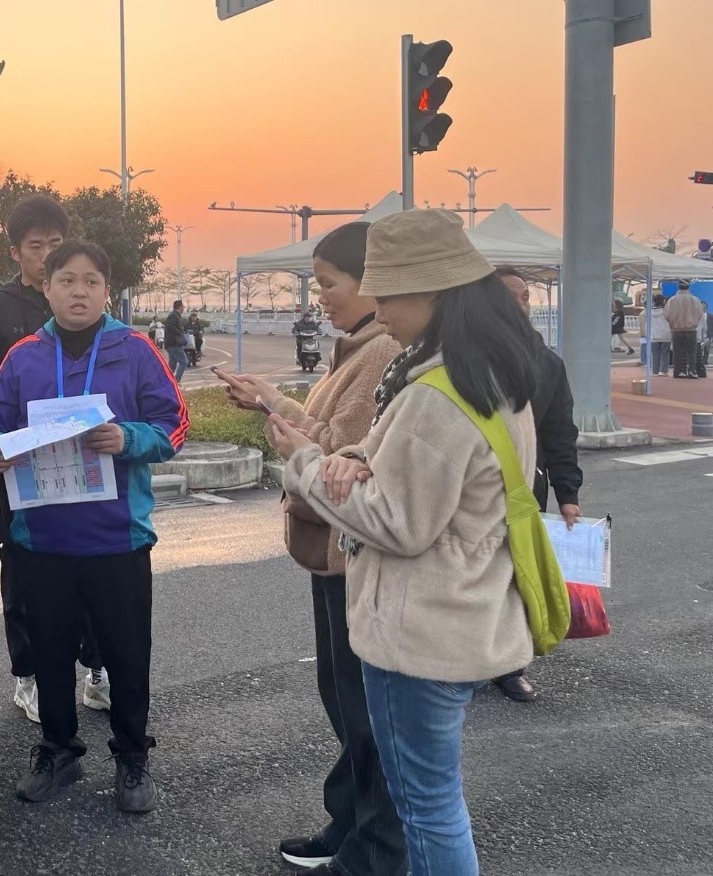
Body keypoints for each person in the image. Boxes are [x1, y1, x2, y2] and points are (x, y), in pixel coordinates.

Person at [268, 210, 538, 876]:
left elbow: (397, 523)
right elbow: (431, 484)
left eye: (388, 295)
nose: (379, 310)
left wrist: (305, 464)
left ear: (434, 293)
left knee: (426, 806)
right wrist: (358, 457)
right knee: (433, 800)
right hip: (464, 612)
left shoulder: (435, 397)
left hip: (418, 632)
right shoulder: (488, 375)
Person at [218, 222, 406, 876]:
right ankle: (350, 825)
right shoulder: (358, 347)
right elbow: (331, 434)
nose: (319, 296)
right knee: (344, 696)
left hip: (351, 550)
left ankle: (371, 846)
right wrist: (271, 402)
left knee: (362, 707)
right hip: (332, 548)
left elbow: (341, 452)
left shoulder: (382, 352)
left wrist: (280, 411)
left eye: (329, 283)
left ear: (372, 282)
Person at [0, 240, 189, 813]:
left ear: (107, 290)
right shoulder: (23, 356)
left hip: (117, 537)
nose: (79, 292)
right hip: (41, 538)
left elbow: (173, 423)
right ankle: (58, 749)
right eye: (66, 280)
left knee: (126, 654)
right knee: (49, 653)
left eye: (91, 281)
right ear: (45, 287)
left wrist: (129, 437)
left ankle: (132, 756)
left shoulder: (135, 349)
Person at [0, 194, 108, 724]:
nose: (46, 254)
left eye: (55, 243)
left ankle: (97, 669)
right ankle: (28, 675)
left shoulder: (84, 304)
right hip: (23, 466)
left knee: (93, 566)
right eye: (35, 245)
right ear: (15, 251)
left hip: (86, 459)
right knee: (23, 572)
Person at [494, 269, 582, 703]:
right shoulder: (458, 358)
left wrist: (568, 495)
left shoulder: (547, 363)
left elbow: (560, 433)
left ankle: (511, 666)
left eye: (525, 296)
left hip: (528, 488)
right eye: (508, 296)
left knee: (519, 575)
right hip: (472, 488)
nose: (521, 304)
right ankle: (465, 660)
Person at [665, 282, 705, 378]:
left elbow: (666, 314)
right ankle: (692, 371)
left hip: (677, 329)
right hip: (691, 329)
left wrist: (673, 323)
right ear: (688, 287)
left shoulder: (672, 300)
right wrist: (694, 321)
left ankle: (678, 371)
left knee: (678, 352)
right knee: (692, 352)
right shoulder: (695, 299)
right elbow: (700, 313)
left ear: (678, 287)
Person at [163, 299, 189, 382]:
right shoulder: (173, 316)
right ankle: (176, 380)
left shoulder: (175, 315)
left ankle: (167, 380)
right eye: (183, 307)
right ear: (179, 307)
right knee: (184, 362)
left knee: (172, 364)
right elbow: (171, 327)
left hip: (171, 344)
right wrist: (180, 332)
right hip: (174, 343)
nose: (184, 308)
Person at [649, 293, 672, 376]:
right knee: (664, 353)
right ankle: (663, 370)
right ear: (663, 301)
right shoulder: (666, 311)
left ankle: (655, 370)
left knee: (655, 354)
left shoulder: (650, 311)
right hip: (666, 334)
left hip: (654, 335)